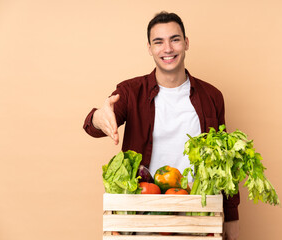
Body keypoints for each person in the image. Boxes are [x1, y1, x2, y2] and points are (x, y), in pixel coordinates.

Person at [83, 11, 240, 240]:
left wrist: (233, 219)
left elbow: (226, 163)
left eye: (174, 39)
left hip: (198, 215)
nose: (167, 48)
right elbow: (96, 124)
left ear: (186, 43)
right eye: (159, 42)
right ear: (149, 48)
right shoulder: (130, 92)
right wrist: (98, 116)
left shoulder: (212, 96)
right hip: (144, 213)